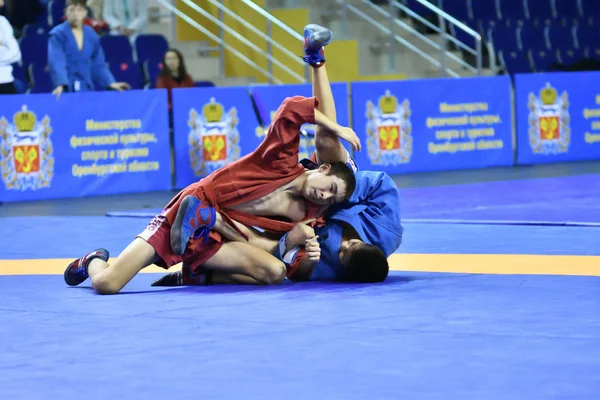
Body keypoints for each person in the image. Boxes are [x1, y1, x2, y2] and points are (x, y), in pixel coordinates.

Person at [62, 26, 361, 295]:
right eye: (329, 188)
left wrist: (306, 251)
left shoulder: (308, 212)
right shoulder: (280, 161)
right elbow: (292, 109)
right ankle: (93, 260)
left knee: (274, 272)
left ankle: (196, 274)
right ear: (321, 168)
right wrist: (337, 127)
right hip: (188, 212)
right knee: (107, 284)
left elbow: (294, 267)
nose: (324, 195)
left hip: (220, 239)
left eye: (330, 198)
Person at [153, 24, 403, 287]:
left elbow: (294, 267)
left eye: (341, 255)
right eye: (348, 247)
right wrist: (339, 191)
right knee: (326, 139)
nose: (341, 248)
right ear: (361, 242)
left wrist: (308, 259)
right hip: (335, 186)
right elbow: (380, 185)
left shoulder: (338, 268)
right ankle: (316, 58)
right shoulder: (387, 228)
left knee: (267, 254)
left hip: (303, 216)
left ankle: (201, 268)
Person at [48, 0, 130, 99]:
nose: (75, 14)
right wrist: (60, 84)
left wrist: (110, 82)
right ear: (65, 12)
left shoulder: (91, 34)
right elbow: (57, 61)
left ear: (85, 13)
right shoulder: (58, 34)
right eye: (72, 10)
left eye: (79, 10)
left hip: (86, 88)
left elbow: (98, 64)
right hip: (66, 89)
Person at [155, 48, 194, 125]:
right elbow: (162, 99)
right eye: (168, 59)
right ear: (164, 62)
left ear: (179, 60)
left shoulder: (187, 78)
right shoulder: (162, 79)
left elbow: (192, 94)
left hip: (186, 108)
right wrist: (175, 106)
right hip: (171, 111)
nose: (171, 61)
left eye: (174, 58)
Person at [0, 0, 21, 95]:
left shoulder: (2, 22)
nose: (2, 3)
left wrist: (2, 59)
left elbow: (16, 53)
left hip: (4, 80)